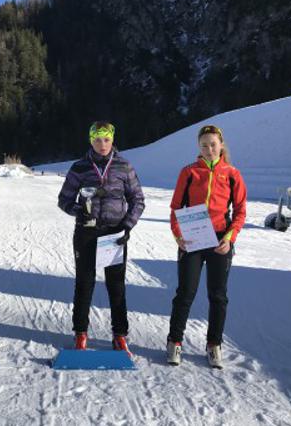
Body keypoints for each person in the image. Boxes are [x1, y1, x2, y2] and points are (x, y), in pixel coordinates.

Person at [58, 121, 145, 354]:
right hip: (86, 232)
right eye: (97, 139)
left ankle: (119, 335)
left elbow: (138, 200)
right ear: (90, 141)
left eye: (106, 139)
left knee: (116, 286)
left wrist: (127, 226)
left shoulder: (124, 167)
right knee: (84, 284)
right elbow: (63, 199)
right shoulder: (79, 167)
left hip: (114, 233)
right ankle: (80, 334)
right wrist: (78, 210)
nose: (102, 144)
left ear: (112, 140)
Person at [166, 124, 247, 368]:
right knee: (185, 292)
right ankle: (175, 342)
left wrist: (230, 237)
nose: (209, 149)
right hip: (192, 237)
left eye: (213, 144)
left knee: (218, 296)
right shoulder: (189, 172)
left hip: (220, 239)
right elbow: (176, 207)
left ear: (221, 145)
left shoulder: (232, 174)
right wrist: (178, 235)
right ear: (198, 147)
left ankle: (214, 344)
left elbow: (241, 211)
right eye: (204, 145)